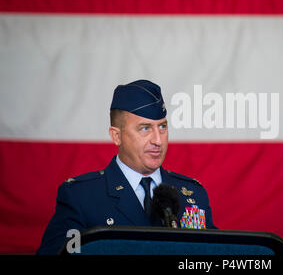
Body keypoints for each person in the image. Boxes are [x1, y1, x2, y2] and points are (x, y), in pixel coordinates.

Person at [37, 80, 217, 255]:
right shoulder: (81, 197)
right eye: (145, 128)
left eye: (162, 127)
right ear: (117, 136)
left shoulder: (193, 194)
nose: (157, 140)